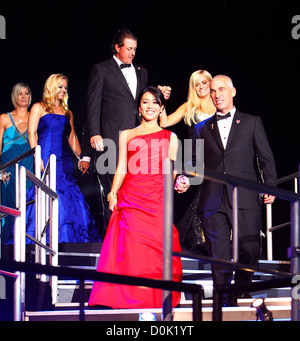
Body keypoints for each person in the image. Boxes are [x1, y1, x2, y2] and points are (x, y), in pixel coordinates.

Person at [181, 75, 277, 305]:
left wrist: (270, 186)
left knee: (250, 247)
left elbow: (265, 158)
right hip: (212, 198)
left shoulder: (252, 122)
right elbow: (192, 161)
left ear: (233, 91)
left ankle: (242, 288)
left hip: (244, 195)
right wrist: (183, 177)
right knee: (219, 254)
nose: (216, 95)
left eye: (221, 89)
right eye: (213, 91)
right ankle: (224, 297)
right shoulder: (201, 128)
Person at [88, 86, 183, 309]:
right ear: (139, 107)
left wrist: (170, 194)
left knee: (156, 247)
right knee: (131, 248)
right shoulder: (127, 134)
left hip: (157, 198)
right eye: (145, 102)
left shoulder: (171, 137)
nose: (150, 106)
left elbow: (174, 171)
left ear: (161, 108)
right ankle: (130, 295)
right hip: (131, 196)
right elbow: (121, 167)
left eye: (155, 103)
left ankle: (155, 294)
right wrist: (113, 194)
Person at [83, 28, 171, 235]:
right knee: (113, 187)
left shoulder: (142, 70)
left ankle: (134, 234)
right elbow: (93, 104)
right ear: (117, 47)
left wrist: (159, 93)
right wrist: (95, 133)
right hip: (111, 138)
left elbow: (143, 101)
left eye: (135, 49)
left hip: (139, 138)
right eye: (128, 48)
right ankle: (112, 237)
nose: (132, 53)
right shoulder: (101, 69)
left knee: (136, 187)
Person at [27, 74, 100, 243]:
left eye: (65, 87)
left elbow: (72, 136)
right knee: (47, 193)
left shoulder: (68, 113)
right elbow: (32, 133)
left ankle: (66, 240)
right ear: (51, 87)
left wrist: (82, 158)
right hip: (45, 156)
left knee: (67, 196)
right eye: (60, 86)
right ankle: (45, 238)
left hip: (64, 161)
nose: (63, 90)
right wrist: (37, 157)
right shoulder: (39, 107)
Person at [160, 70, 215, 253]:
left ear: (210, 83)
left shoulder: (219, 105)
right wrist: (162, 102)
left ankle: (215, 243)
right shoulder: (189, 106)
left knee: (214, 202)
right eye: (196, 84)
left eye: (203, 83)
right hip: (195, 161)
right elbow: (165, 122)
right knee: (195, 203)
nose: (201, 87)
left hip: (216, 162)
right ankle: (197, 244)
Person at [0, 82, 34, 244]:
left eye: (26, 93)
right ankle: (6, 250)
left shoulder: (35, 118)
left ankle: (24, 248)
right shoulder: (4, 118)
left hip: (27, 167)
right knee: (7, 208)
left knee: (26, 206)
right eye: (20, 93)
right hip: (7, 171)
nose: (23, 97)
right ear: (15, 96)